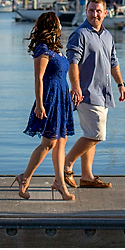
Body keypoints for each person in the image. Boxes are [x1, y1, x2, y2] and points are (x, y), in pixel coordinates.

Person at [63, 0, 125, 189]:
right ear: (86, 12)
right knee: (97, 134)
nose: (94, 14)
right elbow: (72, 62)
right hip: (87, 93)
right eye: (91, 10)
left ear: (105, 13)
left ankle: (87, 177)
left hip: (104, 93)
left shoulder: (108, 36)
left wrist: (121, 84)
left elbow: (113, 62)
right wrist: (75, 87)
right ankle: (66, 164)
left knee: (91, 135)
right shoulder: (80, 34)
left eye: (98, 11)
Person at [13, 11, 76, 201]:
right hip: (50, 99)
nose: (61, 25)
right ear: (52, 26)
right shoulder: (42, 49)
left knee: (61, 142)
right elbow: (38, 78)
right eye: (58, 22)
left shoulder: (56, 49)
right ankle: (24, 177)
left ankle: (60, 184)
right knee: (48, 143)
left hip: (62, 99)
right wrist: (39, 105)